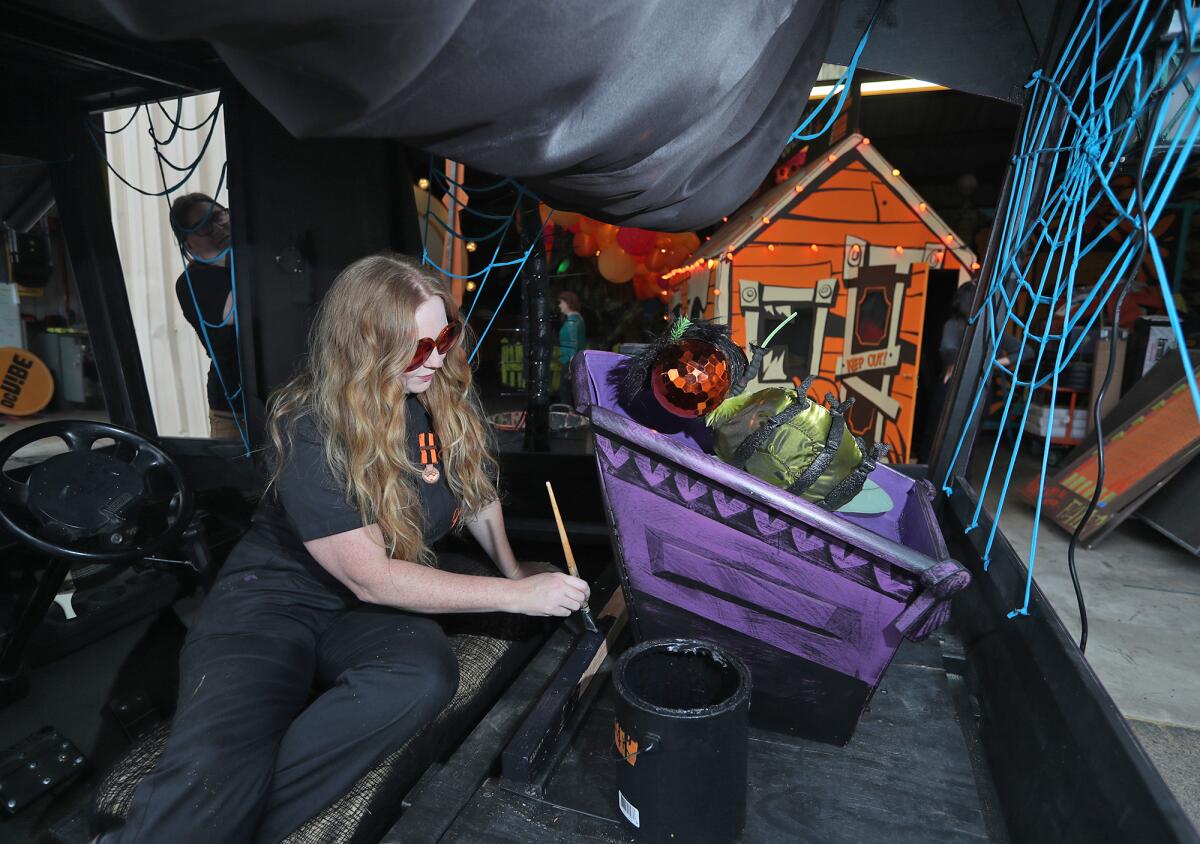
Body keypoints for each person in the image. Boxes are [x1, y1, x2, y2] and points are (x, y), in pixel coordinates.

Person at [99, 253, 589, 843]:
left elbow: (477, 493)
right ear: (366, 346)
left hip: (360, 613)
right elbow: (372, 578)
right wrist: (517, 598)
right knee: (217, 762)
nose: (436, 356)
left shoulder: (438, 390)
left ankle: (236, 828)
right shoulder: (313, 425)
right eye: (414, 348)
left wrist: (514, 572)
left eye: (444, 335)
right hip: (275, 604)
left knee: (421, 677)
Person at [169, 192, 242, 439]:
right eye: (202, 226)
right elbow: (234, 312)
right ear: (187, 243)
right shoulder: (191, 282)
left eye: (219, 215)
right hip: (233, 409)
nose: (217, 227)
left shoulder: (240, 262)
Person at [557, 290, 585, 404]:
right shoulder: (579, 319)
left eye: (561, 302)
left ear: (567, 303)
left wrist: (569, 367)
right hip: (576, 362)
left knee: (566, 394)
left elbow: (573, 345)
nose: (559, 305)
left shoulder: (572, 322)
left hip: (569, 363)